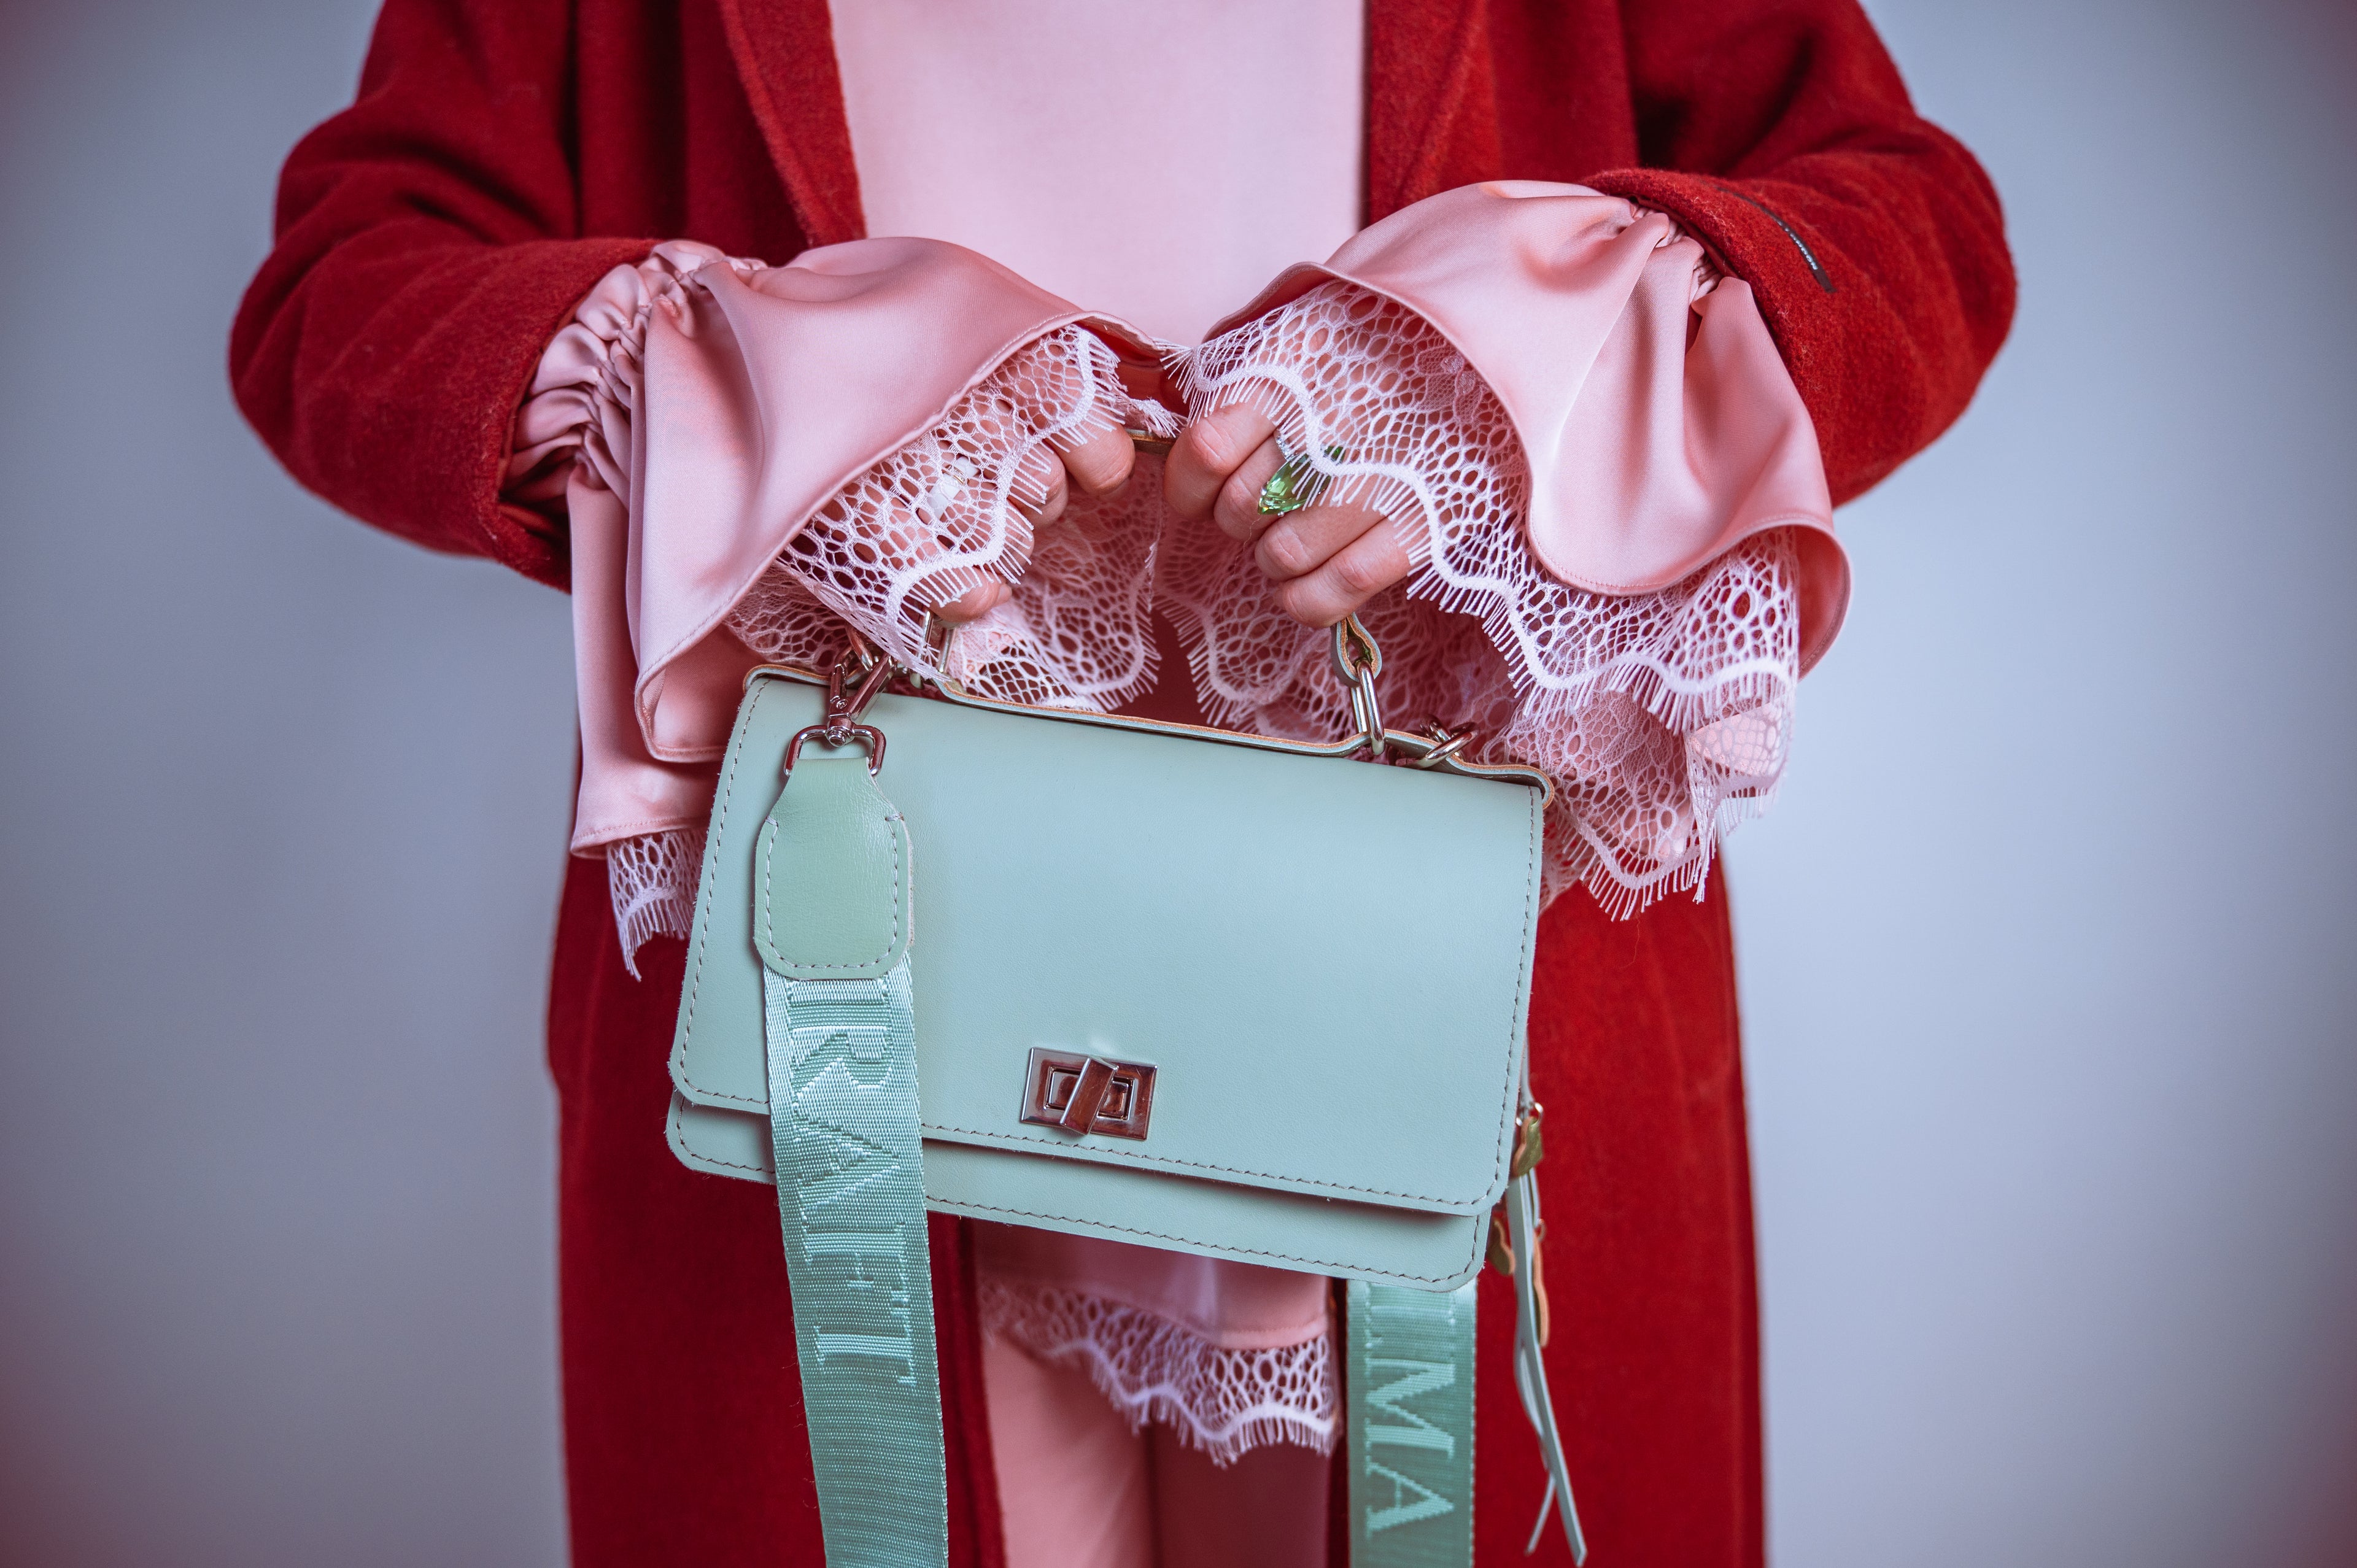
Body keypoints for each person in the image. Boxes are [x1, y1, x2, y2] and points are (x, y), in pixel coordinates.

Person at [231, 3, 2013, 1564]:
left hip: (1460, 1026)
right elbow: (344, 289)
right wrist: (733, 382)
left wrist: (1536, 383)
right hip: (829, 1027)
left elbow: (1915, 222)